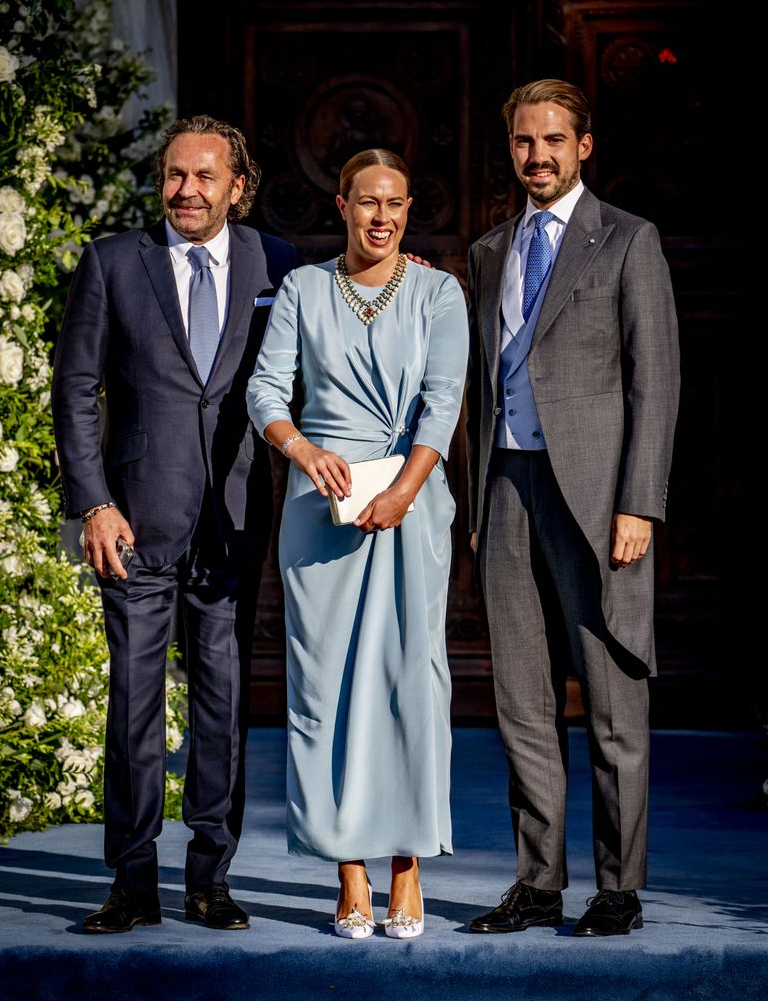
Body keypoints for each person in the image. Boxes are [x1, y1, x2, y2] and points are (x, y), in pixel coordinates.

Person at [51, 116, 299, 933]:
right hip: (133, 520)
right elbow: (76, 388)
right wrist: (92, 502)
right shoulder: (114, 262)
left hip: (232, 520)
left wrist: (409, 280)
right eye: (173, 175)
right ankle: (130, 880)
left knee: (224, 704)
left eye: (203, 177)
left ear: (238, 186)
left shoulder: (278, 263)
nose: (185, 190)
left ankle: (209, 878)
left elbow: (336, 329)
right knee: (133, 705)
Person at [465, 79, 680, 937]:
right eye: (524, 142)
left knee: (611, 697)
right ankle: (538, 882)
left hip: (599, 502)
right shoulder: (488, 251)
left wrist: (640, 503)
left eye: (554, 140)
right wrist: (476, 496)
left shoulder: (628, 240)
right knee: (521, 701)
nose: (538, 156)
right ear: (510, 146)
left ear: (582, 145)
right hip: (507, 487)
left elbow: (654, 382)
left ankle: (618, 889)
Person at [246, 149, 468, 939]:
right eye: (367, 202)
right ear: (340, 205)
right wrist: (304, 453)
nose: (381, 217)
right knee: (324, 686)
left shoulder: (439, 291)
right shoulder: (304, 288)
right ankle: (348, 875)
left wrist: (404, 491)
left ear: (409, 211)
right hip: (322, 504)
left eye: (396, 204)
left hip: (411, 497)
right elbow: (265, 389)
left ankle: (407, 869)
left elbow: (443, 402)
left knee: (413, 677)